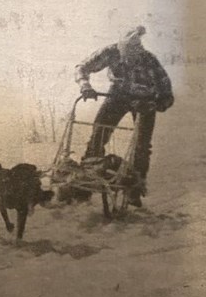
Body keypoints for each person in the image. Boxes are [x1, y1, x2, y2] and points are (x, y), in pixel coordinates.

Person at [74, 26, 174, 207]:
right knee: (99, 133)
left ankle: (134, 189)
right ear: (120, 50)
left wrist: (159, 103)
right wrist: (85, 86)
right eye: (126, 56)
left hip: (144, 100)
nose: (130, 60)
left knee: (141, 145)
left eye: (134, 57)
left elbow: (166, 90)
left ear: (140, 51)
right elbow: (81, 67)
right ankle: (87, 181)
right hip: (117, 96)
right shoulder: (110, 52)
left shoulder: (149, 60)